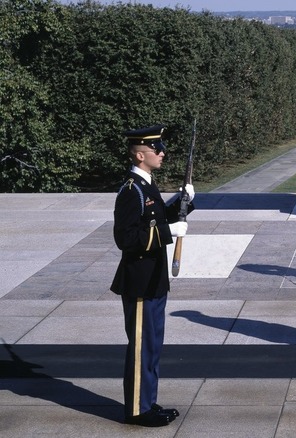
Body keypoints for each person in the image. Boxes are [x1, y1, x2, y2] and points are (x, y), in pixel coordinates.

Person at [111, 124, 194, 427]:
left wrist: (183, 203)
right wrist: (168, 231)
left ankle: (146, 402)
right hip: (140, 282)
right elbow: (127, 238)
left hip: (154, 279)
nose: (163, 153)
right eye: (157, 149)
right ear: (141, 154)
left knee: (151, 346)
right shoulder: (131, 191)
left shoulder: (147, 185)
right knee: (141, 348)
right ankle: (137, 410)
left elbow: (157, 218)